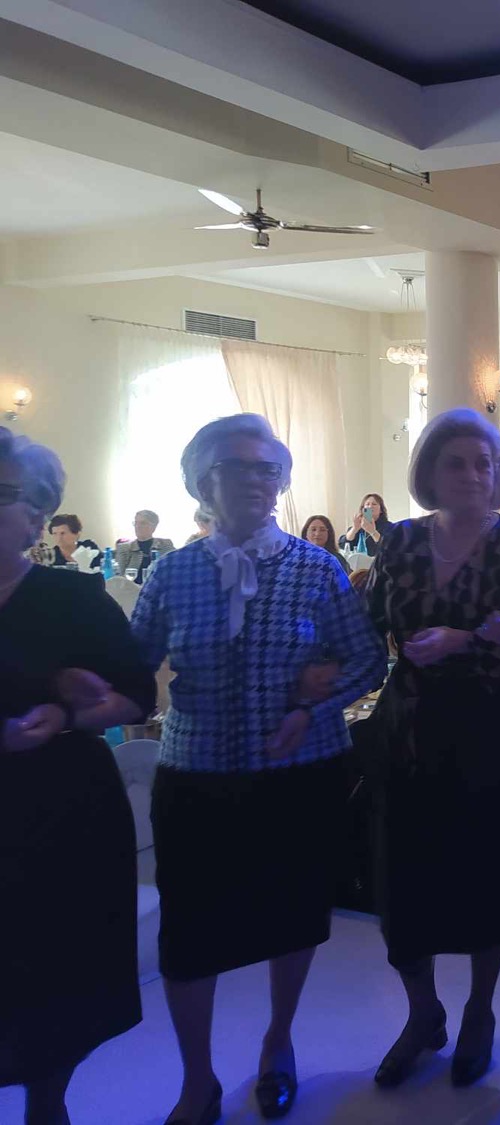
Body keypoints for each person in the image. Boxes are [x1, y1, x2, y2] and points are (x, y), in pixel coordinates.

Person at [131, 414, 387, 1125]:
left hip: (300, 773)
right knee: (189, 932)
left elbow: (366, 659)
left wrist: (314, 705)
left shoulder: (317, 567)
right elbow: (130, 663)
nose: (255, 480)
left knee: (293, 914)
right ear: (203, 480)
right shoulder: (173, 570)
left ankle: (279, 1041)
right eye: (236, 466)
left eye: (267, 468)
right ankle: (197, 1079)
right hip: (196, 773)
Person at [363, 408, 500, 1090]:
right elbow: (371, 621)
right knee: (403, 879)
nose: (474, 474)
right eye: (457, 462)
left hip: (495, 731)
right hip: (412, 729)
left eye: (485, 463)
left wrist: (465, 640)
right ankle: (424, 1014)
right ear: (429, 471)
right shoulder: (401, 541)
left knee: (487, 874)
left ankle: (479, 1009)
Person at [0, 428, 154, 1125]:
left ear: (37, 515)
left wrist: (72, 711)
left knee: (54, 983)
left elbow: (136, 696)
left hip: (60, 816)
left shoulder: (74, 597)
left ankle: (48, 1106)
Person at [115, 509, 174, 583]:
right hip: (132, 587)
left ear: (154, 527)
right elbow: (120, 577)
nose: (138, 526)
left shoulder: (165, 544)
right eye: (136, 523)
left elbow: (173, 569)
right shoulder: (124, 548)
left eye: (143, 523)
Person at [341, 492, 392, 557]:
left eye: (374, 504)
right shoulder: (359, 526)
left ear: (381, 510)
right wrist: (354, 529)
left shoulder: (389, 527)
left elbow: (389, 546)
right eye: (367, 504)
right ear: (363, 510)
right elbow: (344, 544)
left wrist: (373, 532)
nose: (370, 507)